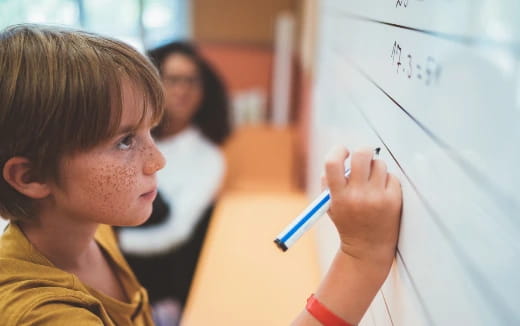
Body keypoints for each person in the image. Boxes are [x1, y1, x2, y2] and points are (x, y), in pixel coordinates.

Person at [0, 24, 402, 326]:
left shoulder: (92, 230)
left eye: (149, 132)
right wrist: (360, 259)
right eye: (124, 141)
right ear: (32, 176)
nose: (157, 160)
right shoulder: (44, 314)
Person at [116, 41, 231, 323]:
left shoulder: (208, 157)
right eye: (173, 80)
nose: (182, 90)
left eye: (192, 81)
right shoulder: (123, 136)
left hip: (156, 273)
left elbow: (177, 232)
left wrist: (108, 245)